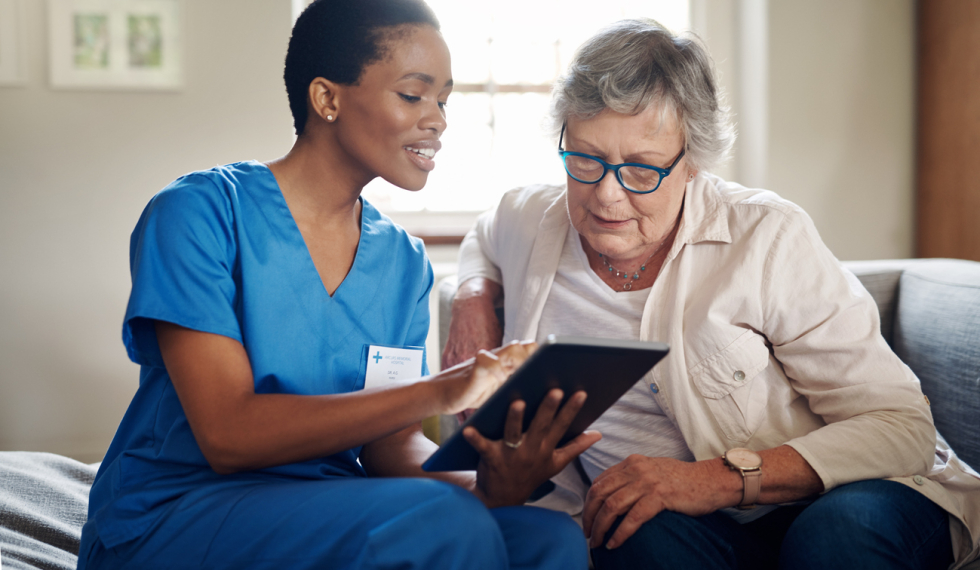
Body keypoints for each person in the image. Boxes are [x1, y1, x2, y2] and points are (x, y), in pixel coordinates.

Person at [76, 1, 601, 568]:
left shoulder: (402, 261)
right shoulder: (198, 215)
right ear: (327, 98)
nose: (439, 119)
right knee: (442, 520)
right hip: (176, 512)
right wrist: (444, 389)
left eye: (443, 99)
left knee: (550, 538)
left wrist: (488, 486)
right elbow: (227, 434)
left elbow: (391, 446)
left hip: (331, 505)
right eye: (413, 94)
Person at [443, 18, 980, 570]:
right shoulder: (532, 219)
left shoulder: (765, 236)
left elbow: (902, 428)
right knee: (627, 534)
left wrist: (713, 479)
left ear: (692, 161)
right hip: (701, 531)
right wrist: (473, 299)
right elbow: (484, 235)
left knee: (835, 535)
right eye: (585, 159)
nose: (607, 194)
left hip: (847, 496)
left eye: (641, 170)